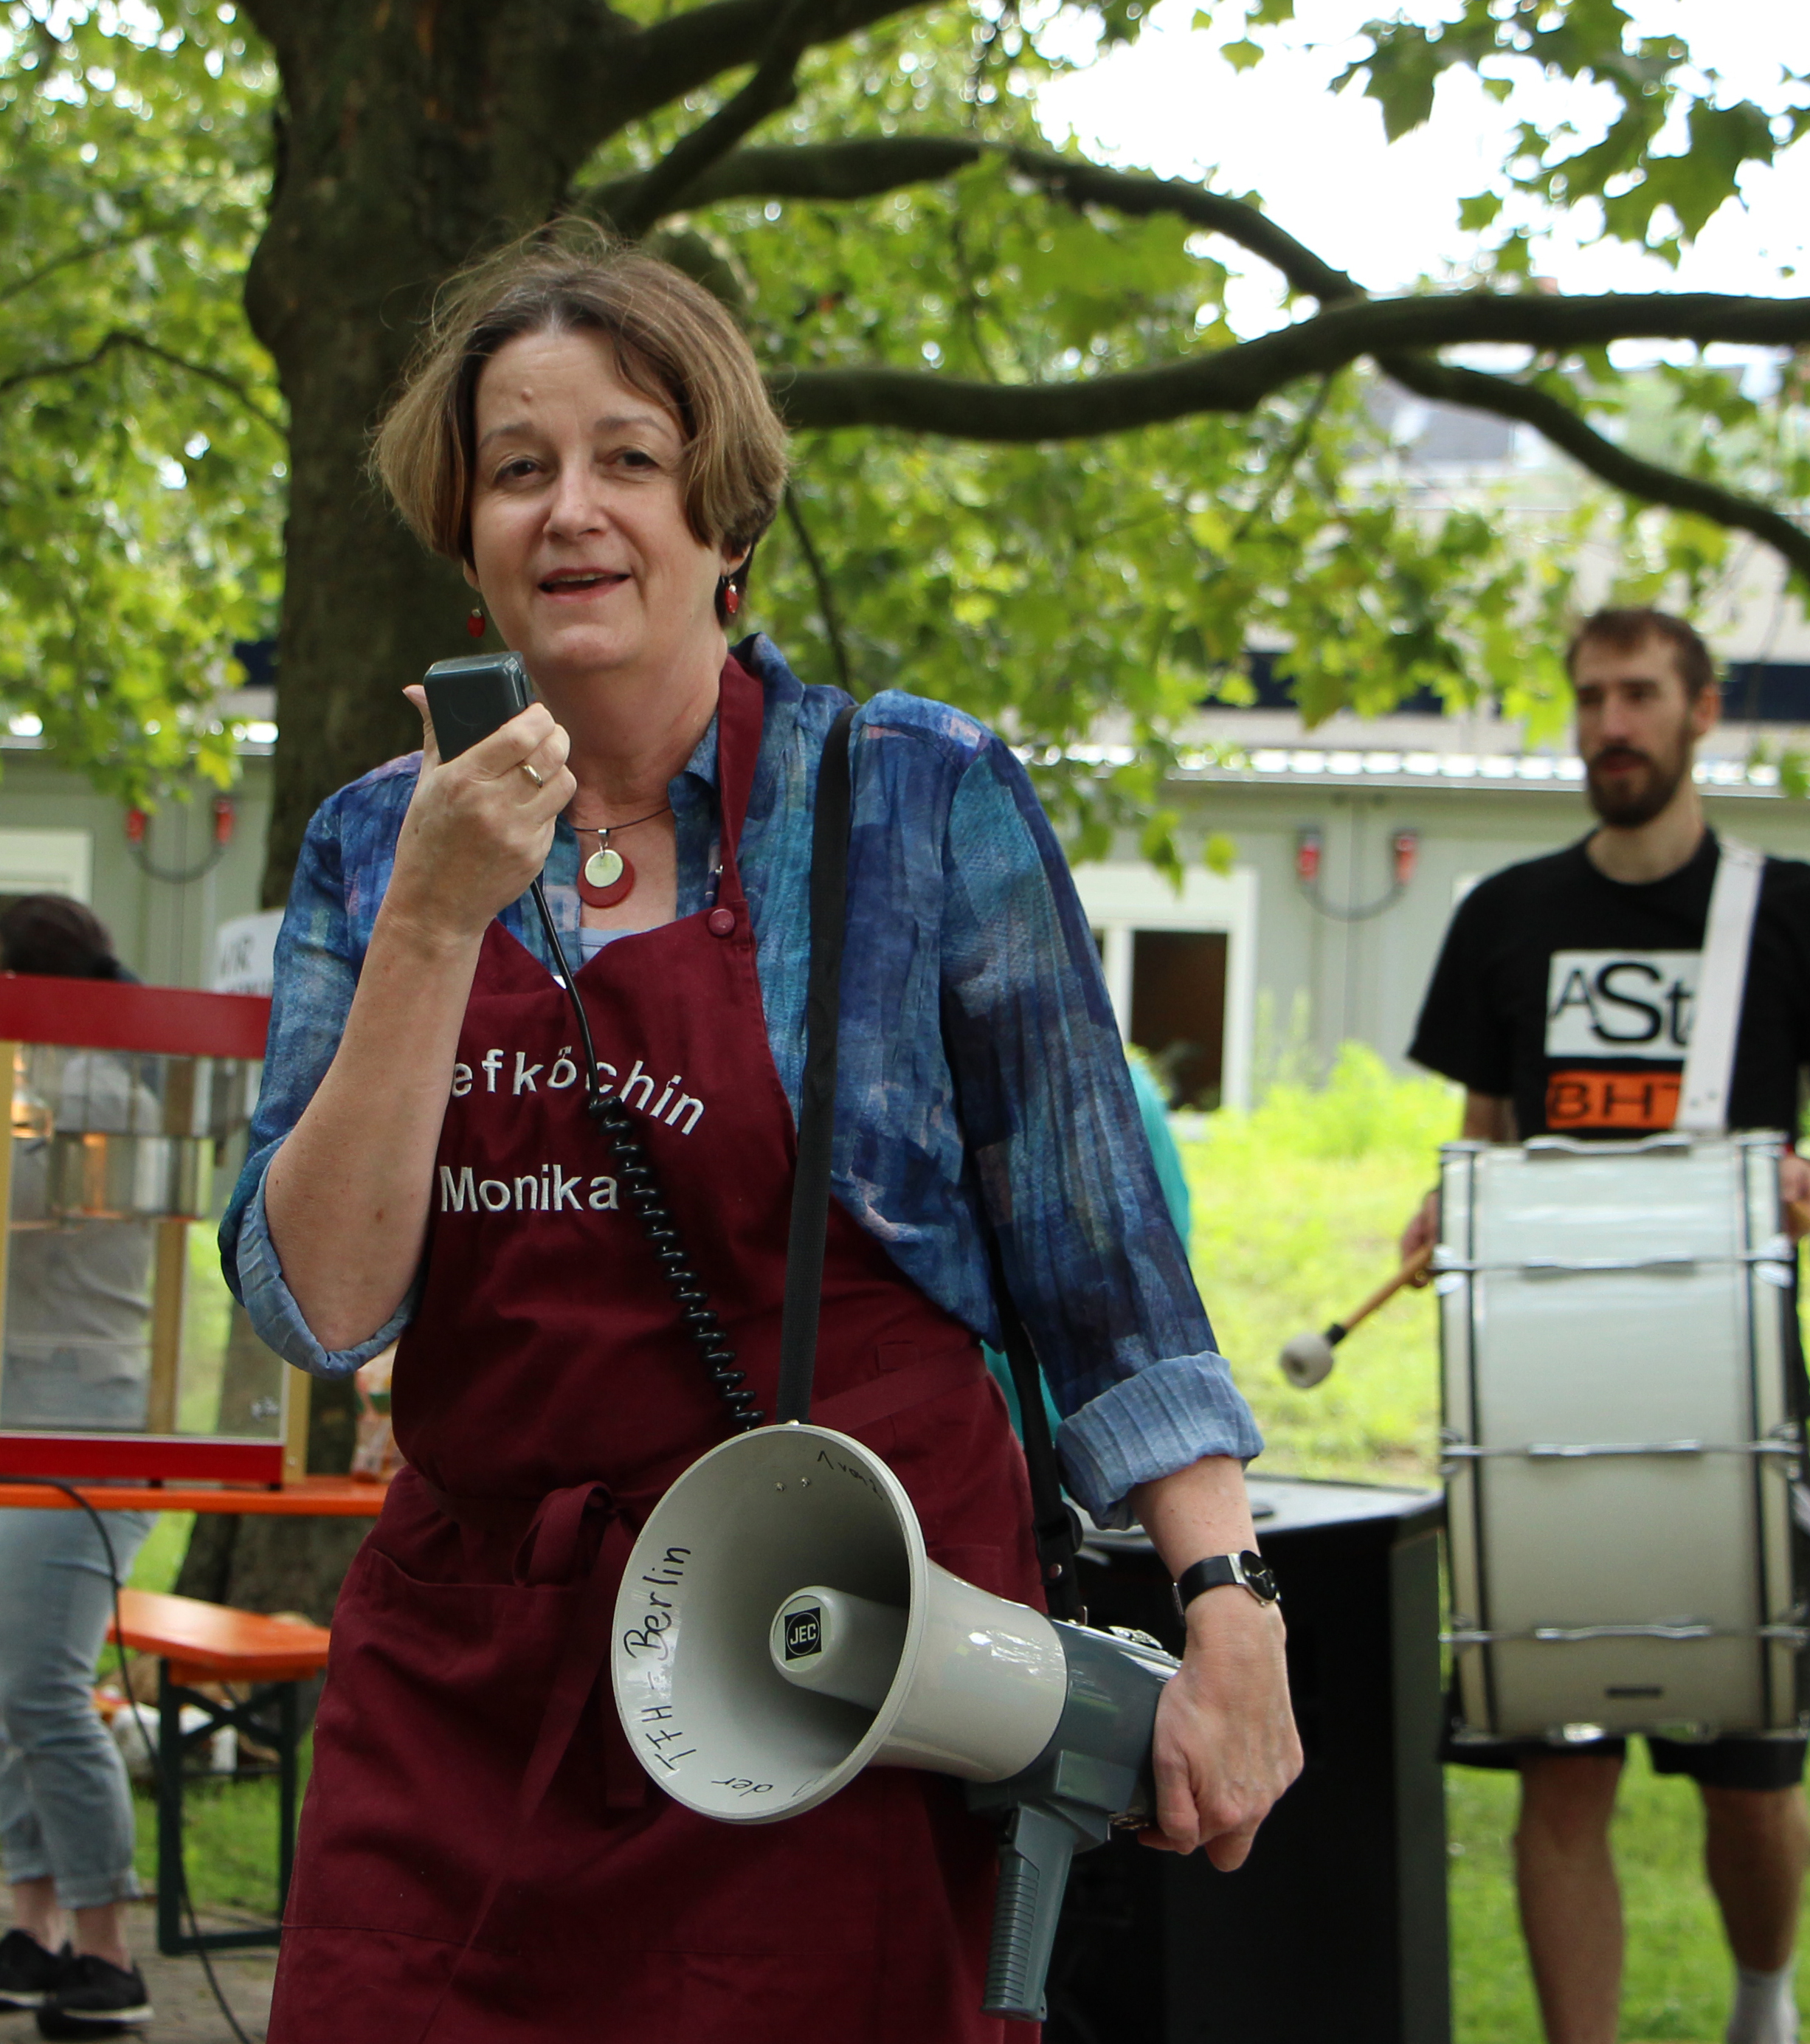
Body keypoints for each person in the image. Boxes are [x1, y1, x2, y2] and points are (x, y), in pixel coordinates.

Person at [224, 236, 1299, 2041]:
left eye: (628, 457)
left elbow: (1100, 1255)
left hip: (826, 1668)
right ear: (465, 533)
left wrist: (1228, 1601)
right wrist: (428, 921)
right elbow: (316, 1301)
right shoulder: (370, 848)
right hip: (473, 1678)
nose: (572, 509)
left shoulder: (912, 800)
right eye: (517, 466)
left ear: (722, 515)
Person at [1397, 606, 1810, 2044]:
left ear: (1701, 712)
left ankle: (1764, 2003)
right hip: (1545, 1400)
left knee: (1749, 1764)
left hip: (1735, 1395)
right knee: (1562, 1763)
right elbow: (1481, 1144)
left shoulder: (1800, 911)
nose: (1608, 723)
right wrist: (1449, 1214)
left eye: (1637, 696)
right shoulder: (1503, 916)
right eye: (1587, 698)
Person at [0, 896, 162, 2037]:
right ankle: (33, 1926)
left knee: (40, 1689)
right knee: (2, 1690)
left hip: (85, 1408)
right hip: (11, 1398)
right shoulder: (40, 1080)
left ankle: (105, 1947)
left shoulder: (74, 1089)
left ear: (13, 975)